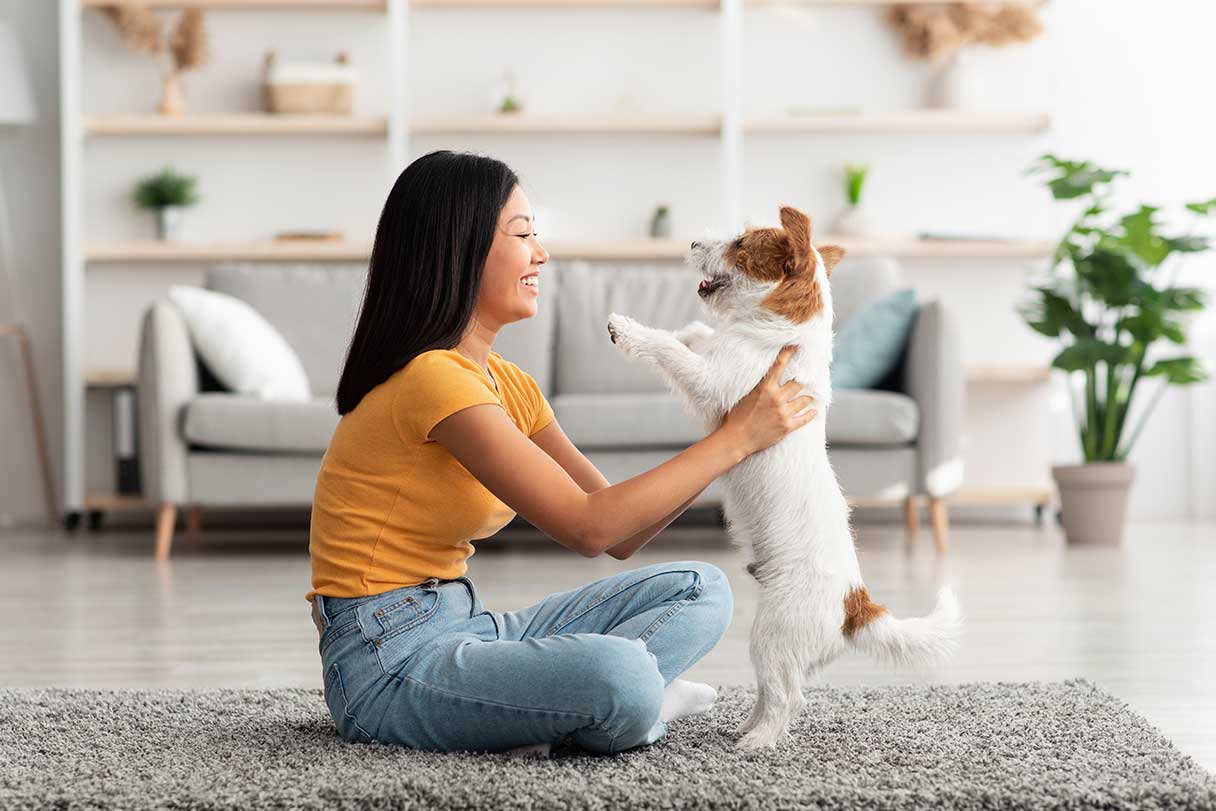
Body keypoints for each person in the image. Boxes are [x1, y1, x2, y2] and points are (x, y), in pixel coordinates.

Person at [307, 150, 817, 757]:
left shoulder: (507, 382)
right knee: (618, 674)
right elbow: (587, 528)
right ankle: (630, 699)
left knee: (700, 588)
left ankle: (584, 706)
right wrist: (734, 438)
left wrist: (736, 440)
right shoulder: (431, 380)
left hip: (467, 626)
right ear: (460, 247)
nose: (540, 254)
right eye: (522, 235)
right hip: (384, 665)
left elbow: (620, 531)